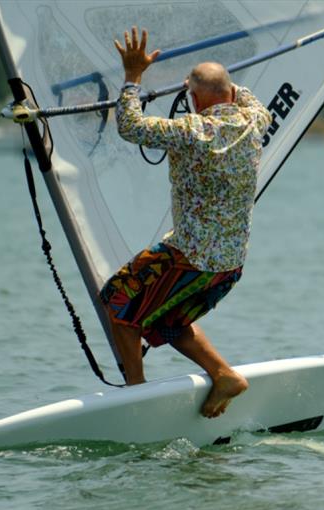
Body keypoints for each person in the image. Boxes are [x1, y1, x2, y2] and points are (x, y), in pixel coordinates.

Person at [101, 27, 272, 418]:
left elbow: (131, 126)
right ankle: (223, 375)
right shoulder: (255, 121)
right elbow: (241, 95)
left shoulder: (191, 130)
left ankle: (136, 396)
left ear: (193, 100)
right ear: (230, 93)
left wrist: (132, 78)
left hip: (188, 258)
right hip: (228, 266)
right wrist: (213, 84)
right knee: (167, 318)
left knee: (119, 300)